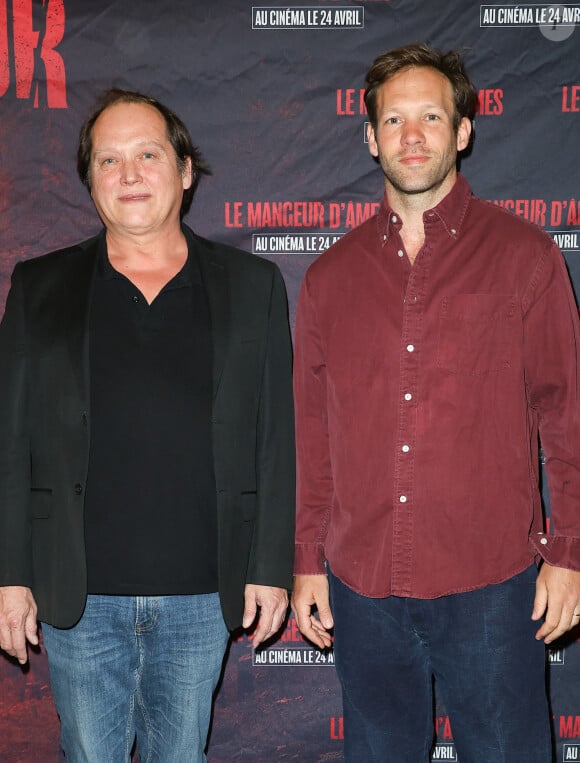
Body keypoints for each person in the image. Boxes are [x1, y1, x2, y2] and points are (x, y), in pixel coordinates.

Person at [292, 43, 580, 762]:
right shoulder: (329, 279)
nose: (411, 135)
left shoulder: (526, 257)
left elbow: (567, 413)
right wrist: (305, 559)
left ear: (463, 131)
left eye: (430, 116)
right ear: (370, 137)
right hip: (363, 587)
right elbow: (311, 432)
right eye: (393, 119)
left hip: (491, 584)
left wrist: (570, 552)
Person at [0, 88, 295, 762]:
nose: (128, 174)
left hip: (201, 595)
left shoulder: (253, 286)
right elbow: (9, 442)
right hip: (78, 597)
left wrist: (272, 566)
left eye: (148, 154)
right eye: (109, 159)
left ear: (185, 169)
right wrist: (8, 574)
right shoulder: (39, 286)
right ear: (91, 180)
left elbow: (276, 437)